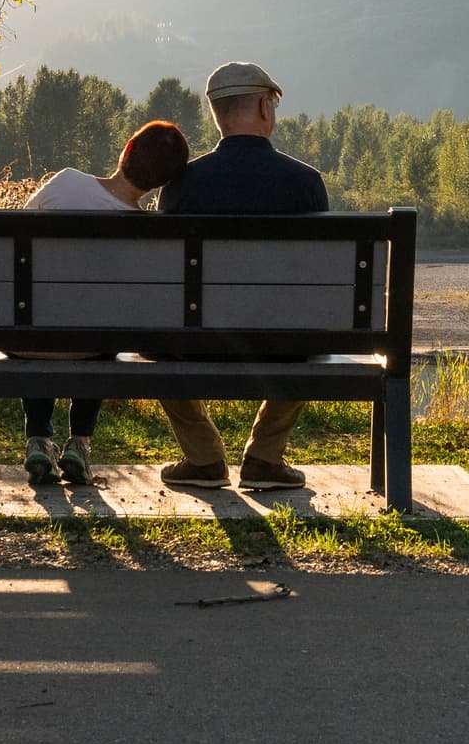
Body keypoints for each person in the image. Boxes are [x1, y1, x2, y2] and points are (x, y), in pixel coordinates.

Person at [158, 58, 330, 489]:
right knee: (311, 333)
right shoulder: (305, 183)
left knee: (156, 342)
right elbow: (321, 285)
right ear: (264, 109)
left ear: (215, 115)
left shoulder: (181, 185)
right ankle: (265, 459)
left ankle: (202, 459)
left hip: (193, 342)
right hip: (284, 343)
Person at [19, 117, 189, 488]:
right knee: (102, 329)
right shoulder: (145, 231)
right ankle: (78, 442)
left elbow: (14, 242)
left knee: (40, 316)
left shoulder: (65, 181)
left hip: (25, 339)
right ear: (161, 184)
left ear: (126, 149)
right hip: (91, 345)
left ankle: (38, 438)